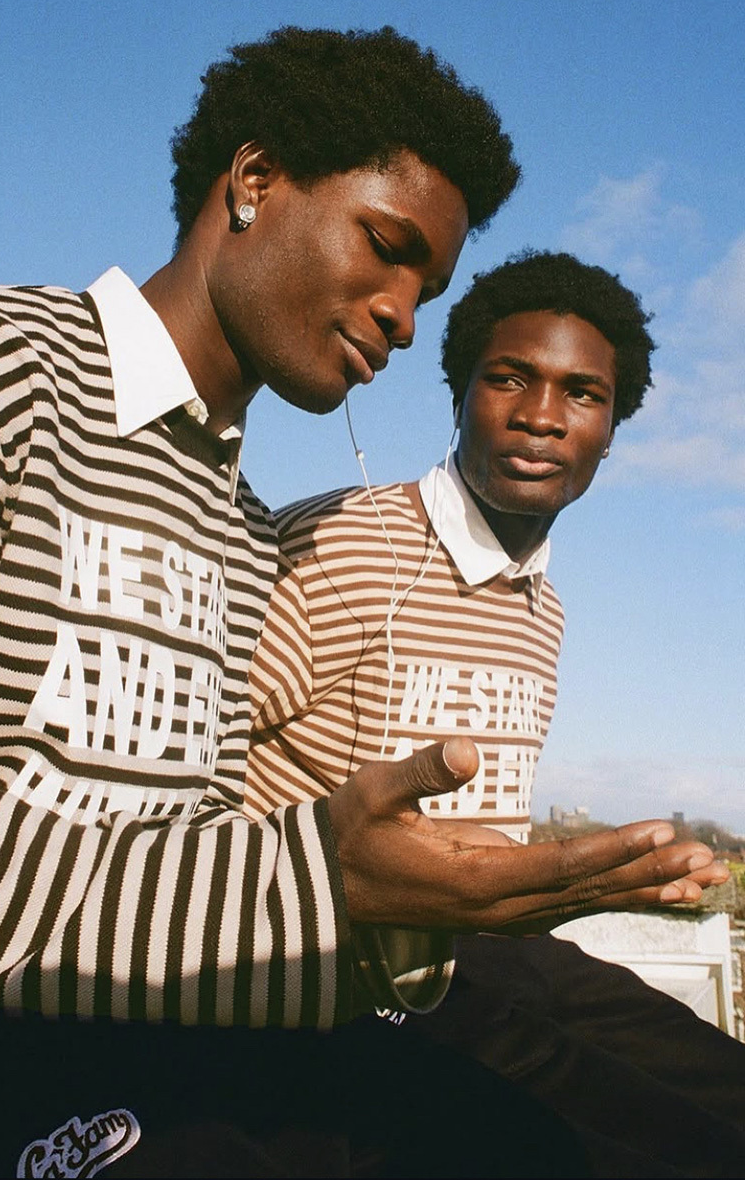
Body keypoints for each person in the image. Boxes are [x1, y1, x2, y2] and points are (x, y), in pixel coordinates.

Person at [0, 23, 725, 1175]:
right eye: (384, 247)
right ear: (253, 179)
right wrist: (324, 880)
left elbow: (192, 872)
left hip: (178, 1037)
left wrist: (430, 911)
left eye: (426, 288)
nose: (402, 315)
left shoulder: (244, 528)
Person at [246, 249, 745, 1176]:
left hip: (486, 955)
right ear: (458, 394)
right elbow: (189, 770)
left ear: (611, 430)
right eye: (508, 378)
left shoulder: (544, 609)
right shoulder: (340, 548)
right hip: (336, 976)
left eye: (582, 394)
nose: (541, 417)